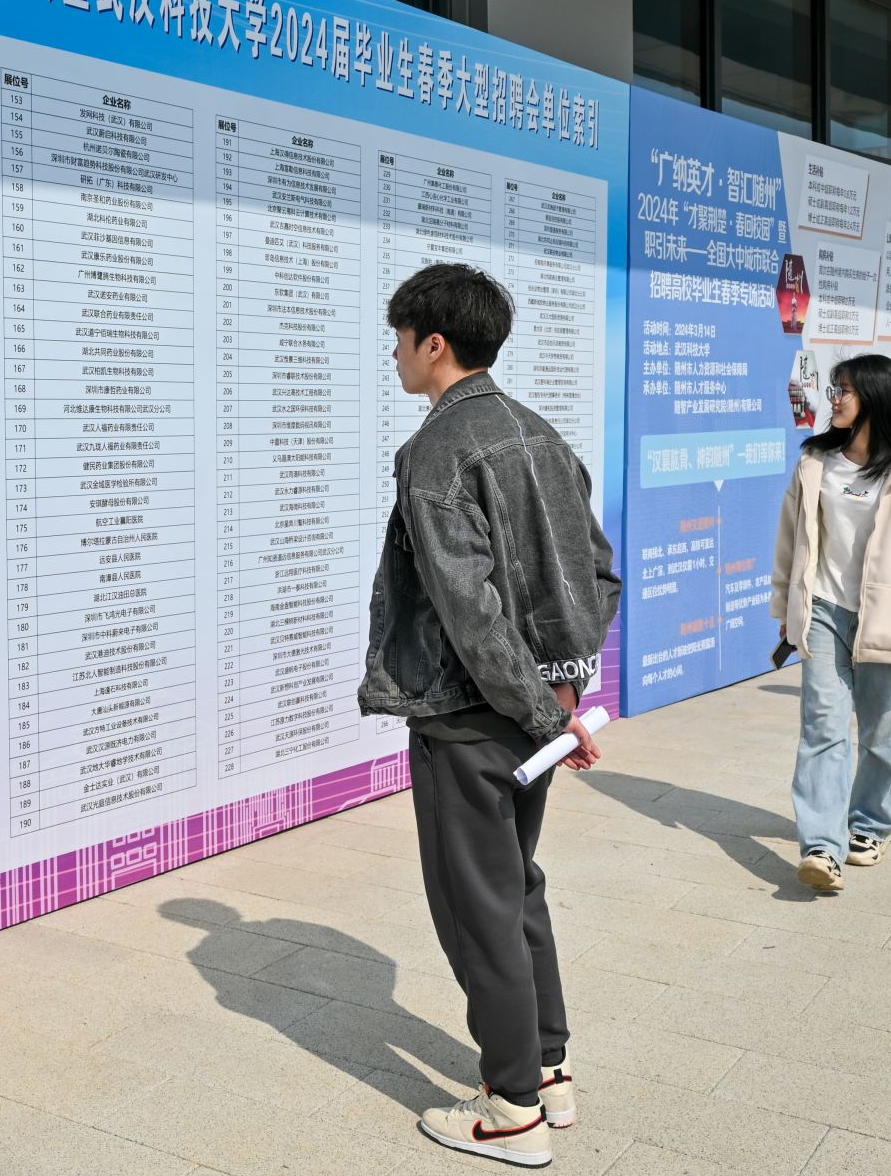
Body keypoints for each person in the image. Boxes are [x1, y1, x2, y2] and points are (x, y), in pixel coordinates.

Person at [358, 263, 621, 1168]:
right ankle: (548, 1068)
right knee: (517, 887)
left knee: (479, 907)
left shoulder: (435, 451)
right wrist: (560, 694)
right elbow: (599, 576)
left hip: (468, 716)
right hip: (531, 710)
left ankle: (512, 1109)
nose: (395, 355)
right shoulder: (542, 435)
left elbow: (469, 613)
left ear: (434, 343)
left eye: (400, 339)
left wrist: (543, 712)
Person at [772, 354, 891, 893]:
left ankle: (870, 826)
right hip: (825, 610)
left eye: (844, 391)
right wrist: (786, 608)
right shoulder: (815, 460)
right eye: (834, 390)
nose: (833, 399)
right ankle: (821, 848)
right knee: (822, 727)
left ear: (875, 397)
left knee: (881, 733)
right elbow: (791, 538)